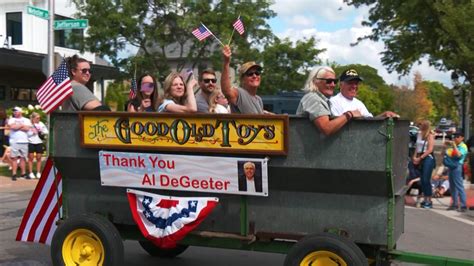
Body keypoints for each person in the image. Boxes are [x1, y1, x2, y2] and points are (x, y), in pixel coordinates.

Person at [296, 66, 362, 136]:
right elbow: (326, 129)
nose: (333, 85)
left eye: (335, 81)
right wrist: (350, 114)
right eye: (329, 81)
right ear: (316, 81)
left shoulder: (321, 99)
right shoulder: (313, 99)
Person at [330, 68, 399, 118]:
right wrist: (350, 115)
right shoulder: (333, 102)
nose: (354, 86)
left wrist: (383, 115)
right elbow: (336, 126)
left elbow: (370, 121)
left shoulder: (359, 103)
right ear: (341, 85)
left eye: (356, 83)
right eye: (350, 83)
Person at [221, 45, 266, 114]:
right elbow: (226, 91)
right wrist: (226, 62)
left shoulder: (259, 99)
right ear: (242, 79)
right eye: (250, 74)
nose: (254, 76)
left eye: (257, 73)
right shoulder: (239, 93)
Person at [409, 120, 435, 209]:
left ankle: (428, 199)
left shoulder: (430, 135)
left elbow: (430, 149)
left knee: (426, 179)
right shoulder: (419, 135)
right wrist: (414, 157)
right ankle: (424, 199)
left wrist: (420, 158)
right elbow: (417, 147)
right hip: (420, 156)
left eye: (421, 125)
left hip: (427, 158)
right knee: (422, 181)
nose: (419, 126)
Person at [445, 132, 468, 212]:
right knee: (452, 187)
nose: (455, 138)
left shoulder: (463, 146)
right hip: (451, 166)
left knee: (459, 186)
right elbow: (444, 154)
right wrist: (445, 146)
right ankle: (454, 204)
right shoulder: (453, 145)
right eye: (454, 137)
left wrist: (454, 146)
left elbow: (459, 155)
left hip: (457, 166)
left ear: (462, 138)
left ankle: (463, 205)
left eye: (457, 137)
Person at [7, 107, 31, 181]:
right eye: (14, 112)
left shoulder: (27, 120)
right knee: (14, 158)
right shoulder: (11, 119)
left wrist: (17, 126)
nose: (15, 113)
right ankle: (14, 174)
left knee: (23, 158)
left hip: (24, 141)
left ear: (20, 112)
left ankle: (23, 173)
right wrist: (22, 125)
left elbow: (27, 129)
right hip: (14, 141)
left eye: (16, 111)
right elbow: (12, 127)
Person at [27, 112, 48, 179]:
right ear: (33, 118)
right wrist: (32, 132)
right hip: (31, 142)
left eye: (39, 118)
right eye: (37, 118)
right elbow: (27, 134)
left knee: (39, 157)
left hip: (39, 142)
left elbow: (46, 131)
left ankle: (38, 172)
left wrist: (41, 130)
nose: (38, 119)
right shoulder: (30, 124)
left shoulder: (41, 124)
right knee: (31, 158)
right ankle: (30, 173)